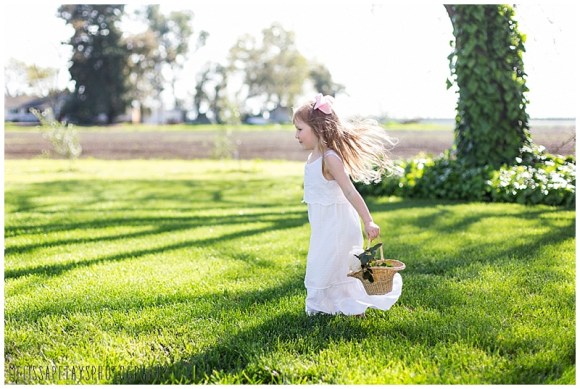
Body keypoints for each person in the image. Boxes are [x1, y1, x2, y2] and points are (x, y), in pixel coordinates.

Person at [293, 93, 403, 316]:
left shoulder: (330, 158)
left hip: (339, 226)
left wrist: (368, 220)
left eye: (299, 129)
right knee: (325, 264)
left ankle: (348, 304)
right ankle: (330, 306)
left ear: (318, 128)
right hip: (324, 227)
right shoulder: (313, 157)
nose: (296, 135)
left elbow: (351, 192)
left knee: (333, 265)